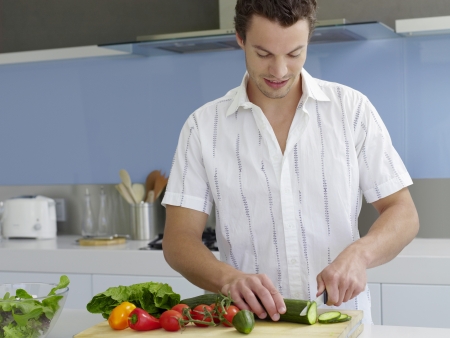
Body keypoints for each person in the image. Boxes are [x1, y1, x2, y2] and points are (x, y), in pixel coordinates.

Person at [161, 0, 419, 325]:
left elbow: (403, 211)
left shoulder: (351, 110)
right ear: (240, 38)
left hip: (341, 322)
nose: (279, 71)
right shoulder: (203, 127)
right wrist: (226, 278)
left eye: (295, 53)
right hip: (251, 327)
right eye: (264, 54)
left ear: (309, 39)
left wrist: (360, 254)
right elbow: (178, 239)